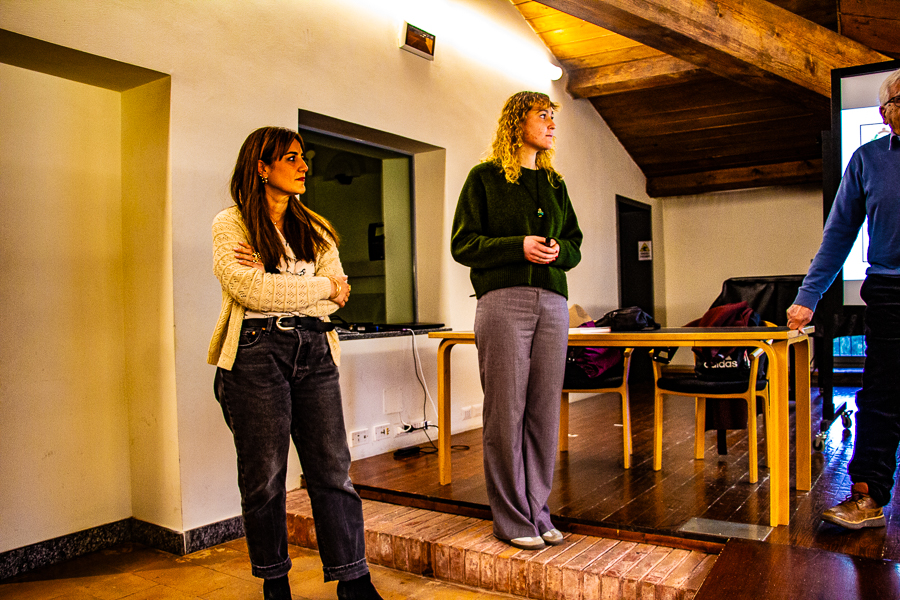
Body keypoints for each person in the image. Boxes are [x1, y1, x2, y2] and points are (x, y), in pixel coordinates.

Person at [208, 126, 382, 600]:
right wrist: (322, 287)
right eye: (291, 157)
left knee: (333, 470)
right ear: (262, 167)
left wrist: (289, 284)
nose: (304, 166)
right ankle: (275, 584)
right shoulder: (232, 224)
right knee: (264, 477)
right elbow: (249, 290)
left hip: (316, 348)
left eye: (304, 157)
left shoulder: (317, 229)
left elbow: (339, 297)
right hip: (255, 353)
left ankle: (354, 582)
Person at [451, 92, 583, 550]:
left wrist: (557, 252)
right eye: (542, 115)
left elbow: (574, 243)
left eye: (553, 116)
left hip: (553, 303)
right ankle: (510, 518)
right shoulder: (484, 178)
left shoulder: (555, 183)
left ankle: (538, 511)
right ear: (516, 123)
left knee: (544, 412)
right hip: (503, 302)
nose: (551, 124)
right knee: (505, 412)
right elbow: (464, 244)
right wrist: (517, 246)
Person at [787, 69, 900, 530]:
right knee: (881, 397)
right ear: (885, 113)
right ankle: (868, 497)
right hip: (890, 291)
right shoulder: (867, 159)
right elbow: (838, 235)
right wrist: (808, 296)